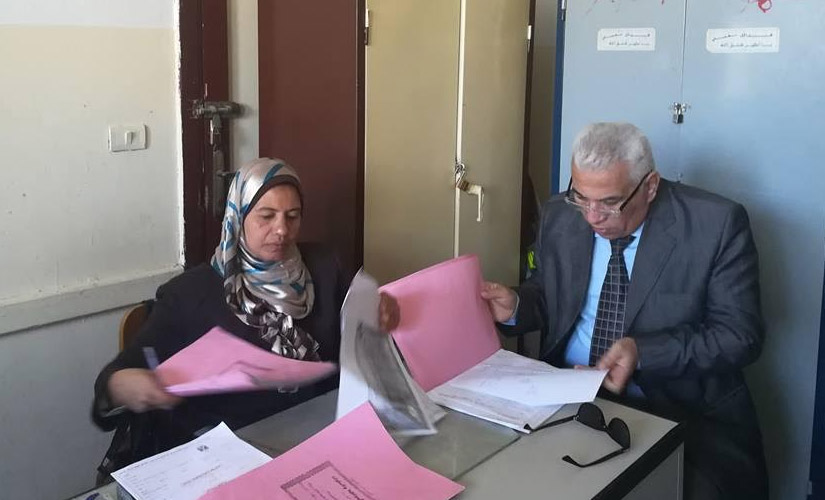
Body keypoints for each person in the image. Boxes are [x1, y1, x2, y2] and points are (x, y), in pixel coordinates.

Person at [481, 123, 767, 499]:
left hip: (676, 406)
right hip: (570, 396)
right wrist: (518, 305)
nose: (592, 216)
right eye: (581, 197)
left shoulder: (715, 225)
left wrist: (643, 352)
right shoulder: (560, 214)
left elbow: (739, 336)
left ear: (650, 186)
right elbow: (548, 293)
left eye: (610, 203)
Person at [92, 158, 399, 463]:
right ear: (238, 217)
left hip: (321, 435)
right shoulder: (191, 294)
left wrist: (380, 311)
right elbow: (113, 380)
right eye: (266, 216)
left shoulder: (324, 267)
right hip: (229, 453)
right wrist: (122, 386)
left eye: (293, 216)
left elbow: (358, 335)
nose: (282, 230)